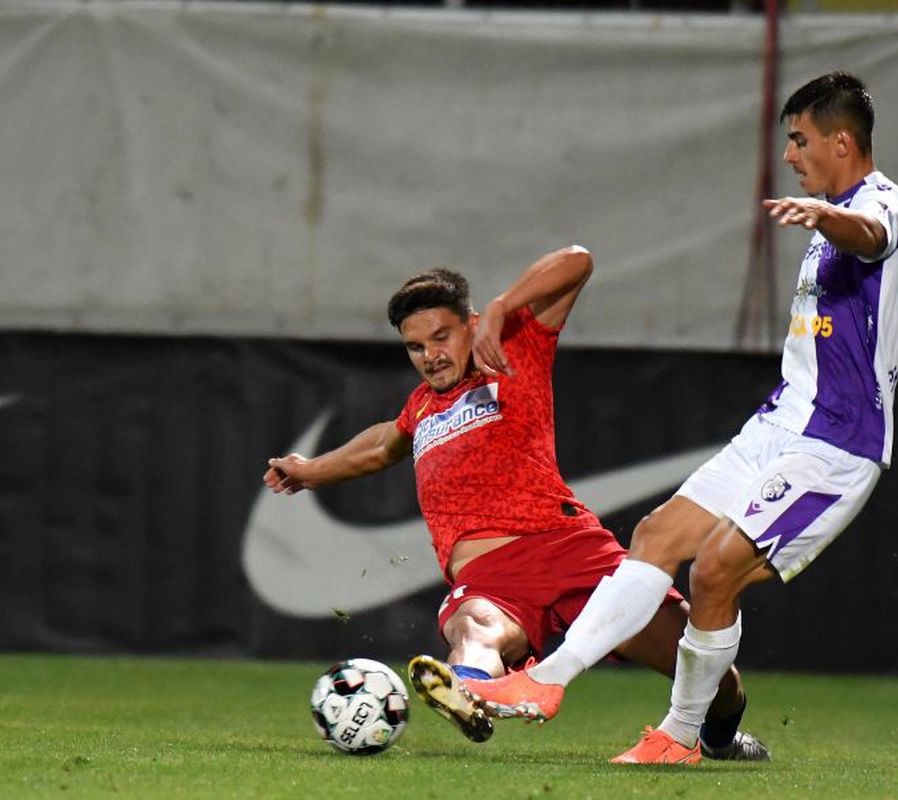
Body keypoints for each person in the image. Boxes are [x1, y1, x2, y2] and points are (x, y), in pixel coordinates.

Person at [462, 72, 898, 765]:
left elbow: (871, 238)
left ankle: (681, 735)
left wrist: (826, 218)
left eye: (799, 140)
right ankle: (546, 681)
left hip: (836, 442)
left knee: (716, 570)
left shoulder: (879, 204)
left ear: (842, 142)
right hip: (778, 424)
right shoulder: (835, 223)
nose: (790, 155)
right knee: (656, 534)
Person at [262, 246, 769, 759]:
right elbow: (382, 446)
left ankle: (720, 738)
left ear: (471, 324)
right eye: (415, 346)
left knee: (712, 678)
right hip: (490, 577)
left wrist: (504, 307)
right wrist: (311, 470)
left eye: (441, 337)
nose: (430, 355)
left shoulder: (514, 346)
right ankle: (469, 689)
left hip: (571, 549)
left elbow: (578, 261)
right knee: (474, 626)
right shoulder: (421, 407)